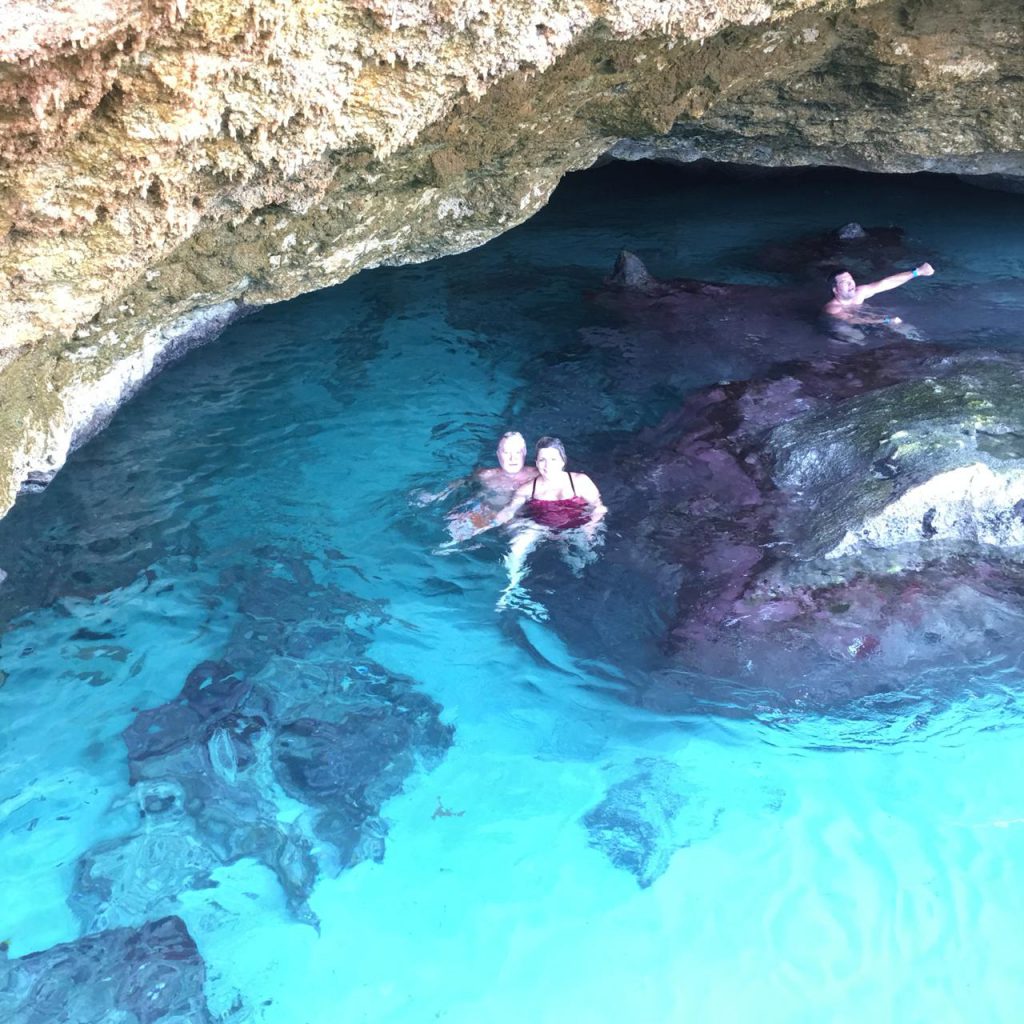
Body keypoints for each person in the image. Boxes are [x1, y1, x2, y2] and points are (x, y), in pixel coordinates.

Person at [464, 436, 606, 619]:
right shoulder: (527, 489)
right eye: (543, 460)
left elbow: (599, 507)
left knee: (584, 557)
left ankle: (584, 588)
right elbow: (509, 510)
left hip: (576, 526)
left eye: (553, 459)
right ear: (537, 462)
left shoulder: (579, 481)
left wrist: (590, 528)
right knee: (516, 549)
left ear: (563, 460)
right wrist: (486, 524)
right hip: (540, 526)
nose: (548, 464)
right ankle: (512, 588)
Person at [823, 262, 934, 324]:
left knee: (903, 326)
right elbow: (852, 320)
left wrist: (917, 272)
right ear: (836, 289)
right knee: (852, 336)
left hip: (865, 320)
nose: (851, 284)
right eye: (844, 282)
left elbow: (886, 283)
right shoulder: (832, 308)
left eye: (851, 280)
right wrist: (885, 320)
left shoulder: (859, 292)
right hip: (841, 327)